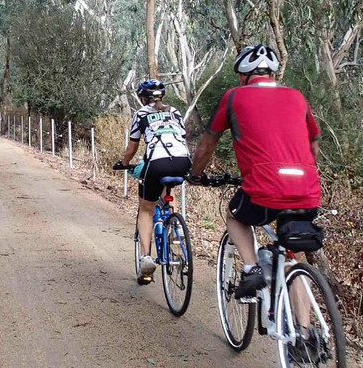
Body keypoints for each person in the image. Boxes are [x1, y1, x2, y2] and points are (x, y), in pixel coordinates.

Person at [188, 44, 320, 304]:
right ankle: (305, 328)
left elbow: (207, 145)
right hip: (307, 189)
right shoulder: (297, 97)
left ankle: (251, 268)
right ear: (273, 74)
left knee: (234, 215)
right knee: (293, 257)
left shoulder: (234, 97)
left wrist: (195, 174)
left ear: (242, 75)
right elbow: (313, 143)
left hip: (265, 188)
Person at [115, 78, 192, 283]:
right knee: (168, 191)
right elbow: (182, 139)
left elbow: (132, 146)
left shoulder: (141, 114)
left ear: (142, 99)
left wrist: (124, 163)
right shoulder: (175, 112)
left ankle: (146, 258)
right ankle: (175, 230)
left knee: (146, 209)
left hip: (156, 162)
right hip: (183, 161)